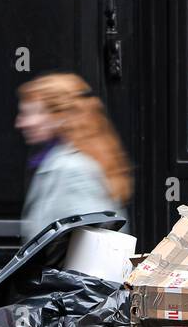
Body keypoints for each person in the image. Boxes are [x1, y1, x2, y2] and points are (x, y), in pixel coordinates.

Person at [15, 72, 132, 243]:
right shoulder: (62, 161)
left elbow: (95, 245)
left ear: (58, 117)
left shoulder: (72, 169)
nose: (21, 122)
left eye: (29, 113)